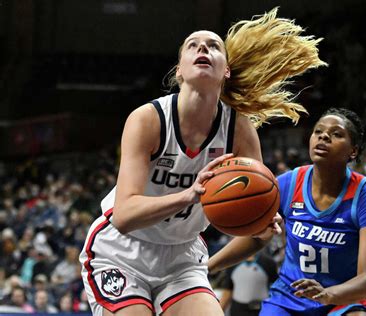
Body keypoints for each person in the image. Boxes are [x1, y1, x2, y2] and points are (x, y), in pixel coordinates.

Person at [79, 8, 326, 316]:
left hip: (183, 258)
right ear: (179, 70)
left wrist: (257, 223)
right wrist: (190, 194)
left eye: (213, 46)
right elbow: (125, 215)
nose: (203, 49)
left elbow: (259, 235)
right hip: (122, 250)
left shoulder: (239, 130)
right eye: (193, 45)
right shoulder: (148, 120)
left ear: (226, 71)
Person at [260, 108, 366, 315]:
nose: (324, 136)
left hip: (345, 298)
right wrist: (209, 266)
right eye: (318, 132)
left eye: (336, 134)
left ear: (353, 151)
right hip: (291, 296)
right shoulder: (288, 183)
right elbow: (255, 237)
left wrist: (328, 294)